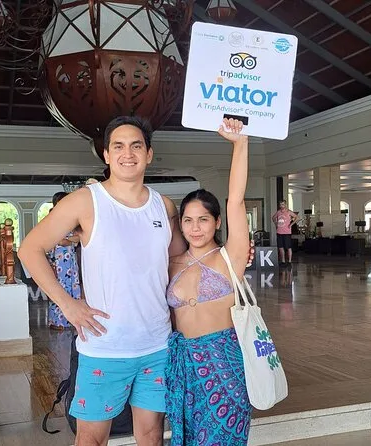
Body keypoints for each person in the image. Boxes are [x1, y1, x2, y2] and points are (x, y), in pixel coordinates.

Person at [18, 116, 252, 446]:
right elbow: (29, 249)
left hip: (157, 348)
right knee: (90, 439)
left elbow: (180, 262)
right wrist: (67, 304)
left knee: (152, 437)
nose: (128, 154)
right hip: (104, 348)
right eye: (119, 146)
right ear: (106, 154)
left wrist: (232, 256)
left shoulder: (163, 207)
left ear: (149, 154)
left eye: (136, 146)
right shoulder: (85, 201)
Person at [165, 118, 252, 445]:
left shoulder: (230, 257)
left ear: (217, 222)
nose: (195, 227)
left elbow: (236, 200)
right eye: (188, 220)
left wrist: (240, 144)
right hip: (183, 364)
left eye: (203, 219)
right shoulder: (172, 262)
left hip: (224, 364)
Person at [46, 191, 82, 329]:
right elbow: (60, 241)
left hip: (70, 259)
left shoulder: (71, 218)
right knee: (60, 289)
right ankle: (57, 322)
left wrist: (69, 240)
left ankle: (72, 320)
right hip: (58, 260)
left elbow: (79, 238)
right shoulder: (53, 218)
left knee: (72, 287)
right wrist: (70, 240)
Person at [272, 200, 297, 265]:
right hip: (279, 232)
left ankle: (289, 261)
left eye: (283, 204)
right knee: (280, 247)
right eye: (280, 204)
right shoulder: (278, 212)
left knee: (288, 247)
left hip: (287, 233)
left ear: (285, 205)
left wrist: (291, 224)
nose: (281, 206)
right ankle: (283, 261)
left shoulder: (288, 212)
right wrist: (276, 224)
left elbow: (297, 217)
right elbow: (273, 218)